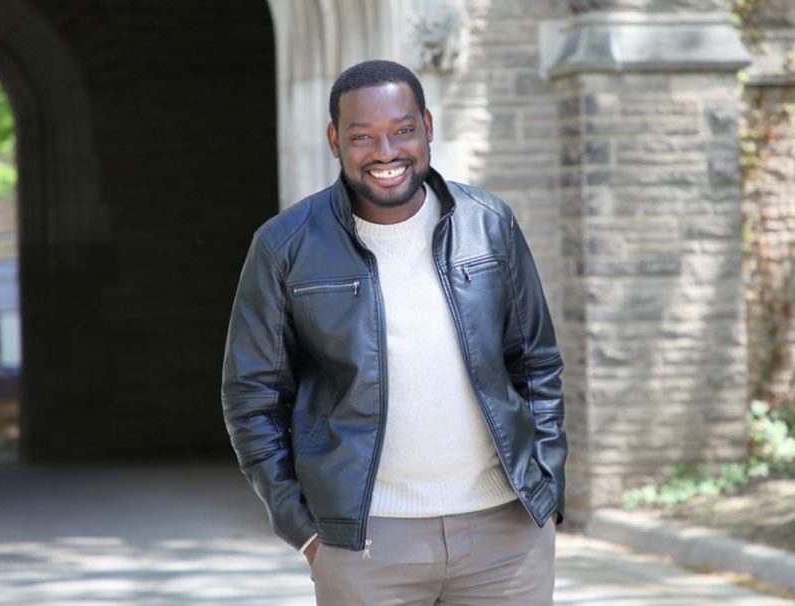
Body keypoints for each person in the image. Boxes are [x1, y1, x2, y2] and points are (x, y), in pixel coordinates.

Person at [221, 59, 566, 605]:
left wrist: (547, 488)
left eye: (403, 130)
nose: (386, 152)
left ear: (427, 125)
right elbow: (252, 397)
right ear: (335, 141)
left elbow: (536, 364)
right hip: (365, 544)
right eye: (363, 136)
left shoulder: (489, 224)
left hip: (506, 535)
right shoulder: (285, 247)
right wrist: (305, 530)